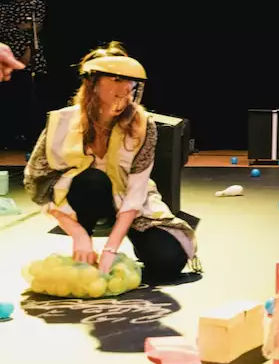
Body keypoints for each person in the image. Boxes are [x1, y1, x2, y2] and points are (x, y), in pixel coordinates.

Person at [24, 42, 201, 284]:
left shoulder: (142, 124)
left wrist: (111, 248)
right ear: (93, 83)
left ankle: (138, 244)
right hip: (83, 196)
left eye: (130, 81)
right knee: (92, 180)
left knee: (169, 261)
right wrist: (77, 233)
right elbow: (38, 179)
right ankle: (83, 245)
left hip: (128, 200)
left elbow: (137, 189)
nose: (126, 87)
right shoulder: (62, 121)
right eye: (116, 79)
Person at [0, 0, 47, 148]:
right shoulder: (5, 8)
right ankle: (10, 137)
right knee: (10, 96)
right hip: (10, 56)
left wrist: (28, 49)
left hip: (32, 55)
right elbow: (4, 29)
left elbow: (37, 27)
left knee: (33, 97)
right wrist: (20, 28)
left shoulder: (36, 5)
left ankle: (32, 137)